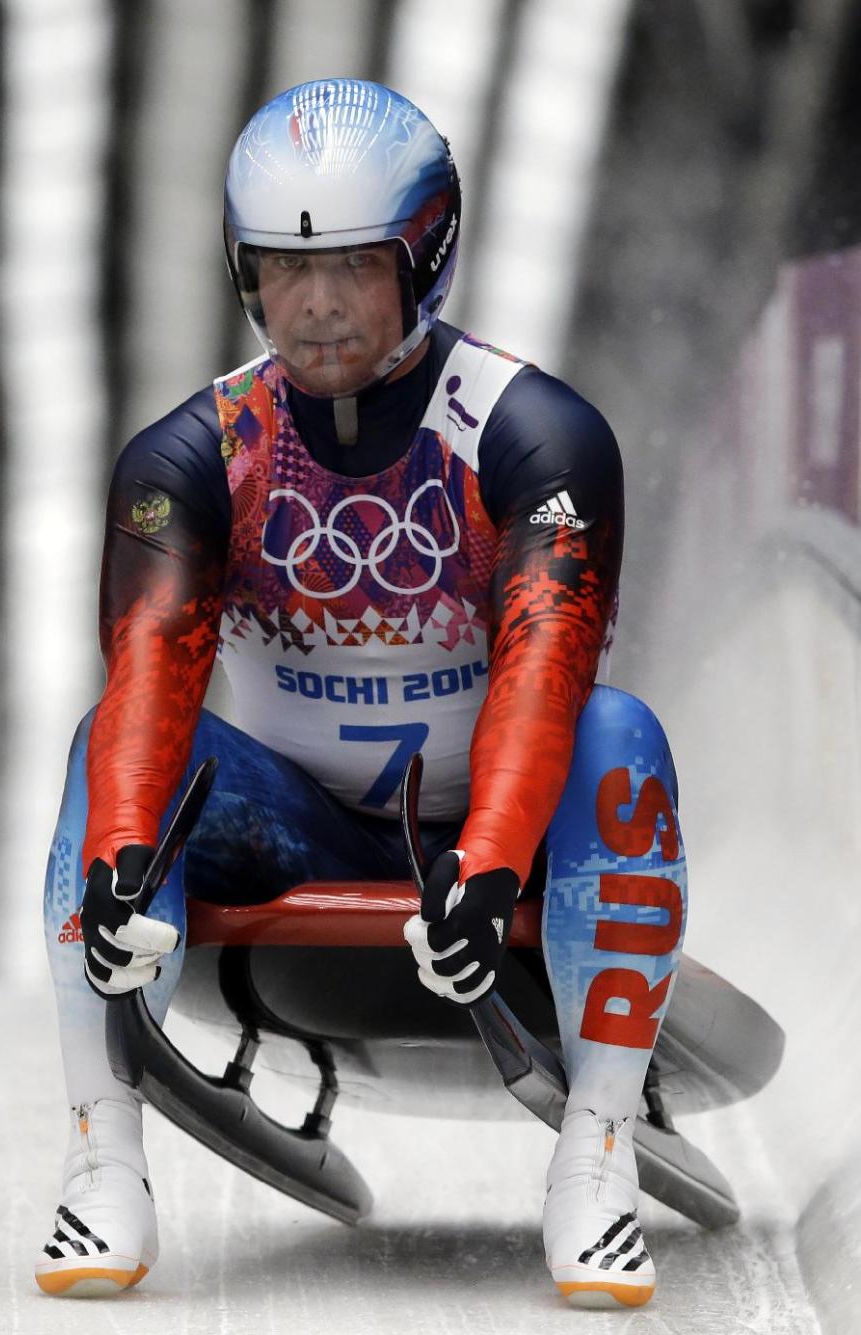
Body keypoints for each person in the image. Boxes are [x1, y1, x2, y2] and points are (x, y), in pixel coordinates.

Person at [36, 78, 687, 1309]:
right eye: (284, 267)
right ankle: (99, 1159)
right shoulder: (195, 454)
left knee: (621, 729)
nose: (318, 303)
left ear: (424, 257)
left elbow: (550, 662)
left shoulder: (535, 434)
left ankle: (593, 1158)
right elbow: (152, 671)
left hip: (509, 844)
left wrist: (490, 862)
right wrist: (126, 854)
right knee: (103, 754)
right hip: (303, 824)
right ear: (244, 272)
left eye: (352, 266)